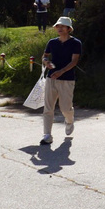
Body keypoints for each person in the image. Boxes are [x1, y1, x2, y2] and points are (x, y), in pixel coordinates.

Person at [40, 16, 82, 145]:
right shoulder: (52, 42)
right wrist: (46, 62)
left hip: (67, 80)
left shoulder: (76, 43)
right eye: (58, 26)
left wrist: (61, 71)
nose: (59, 28)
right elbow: (44, 56)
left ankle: (69, 121)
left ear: (69, 29)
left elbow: (74, 61)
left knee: (65, 108)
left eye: (62, 26)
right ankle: (47, 135)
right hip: (51, 78)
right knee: (48, 108)